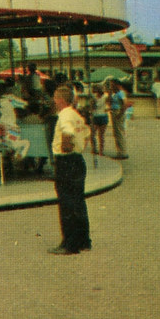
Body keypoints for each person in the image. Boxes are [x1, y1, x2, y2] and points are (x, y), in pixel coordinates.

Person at [48, 85, 92, 255]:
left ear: (60, 99)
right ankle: (83, 240)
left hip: (66, 160)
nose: (53, 100)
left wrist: (66, 147)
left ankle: (69, 244)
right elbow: (86, 133)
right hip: (77, 159)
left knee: (67, 203)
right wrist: (78, 146)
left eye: (55, 97)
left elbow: (67, 132)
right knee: (78, 201)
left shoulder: (64, 115)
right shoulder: (75, 114)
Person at [107, 80, 129, 159]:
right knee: (116, 132)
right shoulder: (114, 94)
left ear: (117, 85)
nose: (111, 87)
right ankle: (119, 151)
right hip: (114, 112)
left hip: (118, 112)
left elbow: (125, 104)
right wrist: (110, 94)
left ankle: (123, 152)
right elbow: (109, 102)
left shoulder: (121, 93)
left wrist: (120, 114)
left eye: (113, 85)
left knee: (119, 132)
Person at [89, 84, 109, 155]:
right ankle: (97, 149)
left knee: (98, 135)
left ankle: (99, 150)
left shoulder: (105, 96)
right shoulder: (95, 97)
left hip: (100, 116)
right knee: (95, 134)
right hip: (99, 116)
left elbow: (91, 108)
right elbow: (92, 107)